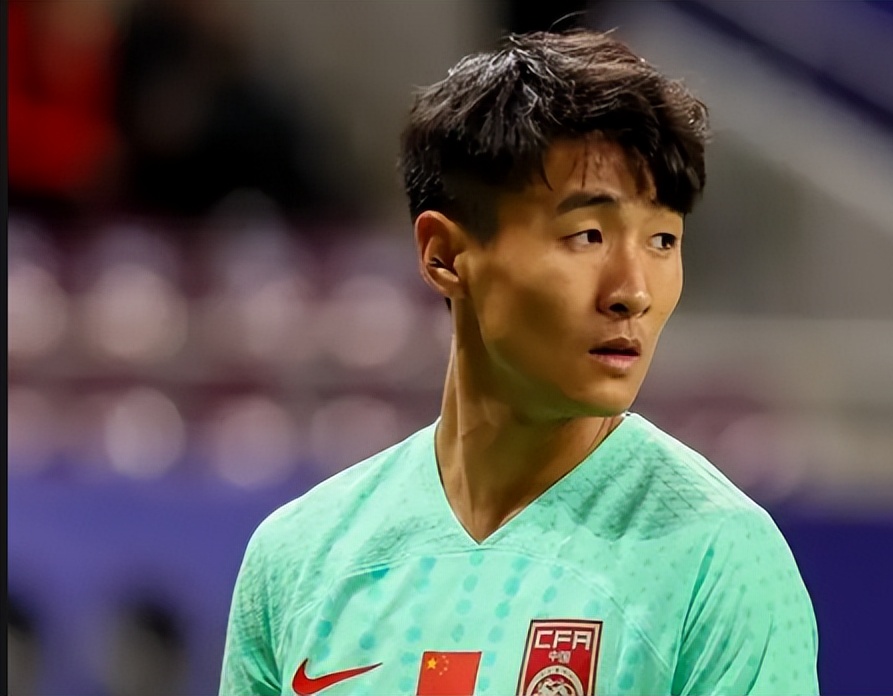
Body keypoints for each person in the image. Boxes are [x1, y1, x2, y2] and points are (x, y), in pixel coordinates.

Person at [220, 29, 819, 696]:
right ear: (445, 255)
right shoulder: (296, 559)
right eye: (587, 235)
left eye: (662, 239)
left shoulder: (721, 559)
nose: (633, 291)